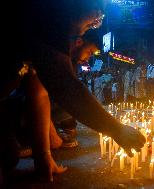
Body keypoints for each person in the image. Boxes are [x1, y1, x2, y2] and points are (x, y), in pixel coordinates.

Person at [2, 0, 145, 183]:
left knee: (9, 156)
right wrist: (116, 129)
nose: (97, 20)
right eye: (98, 11)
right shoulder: (48, 18)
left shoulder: (48, 27)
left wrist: (43, 155)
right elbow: (65, 86)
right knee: (7, 157)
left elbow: (39, 93)